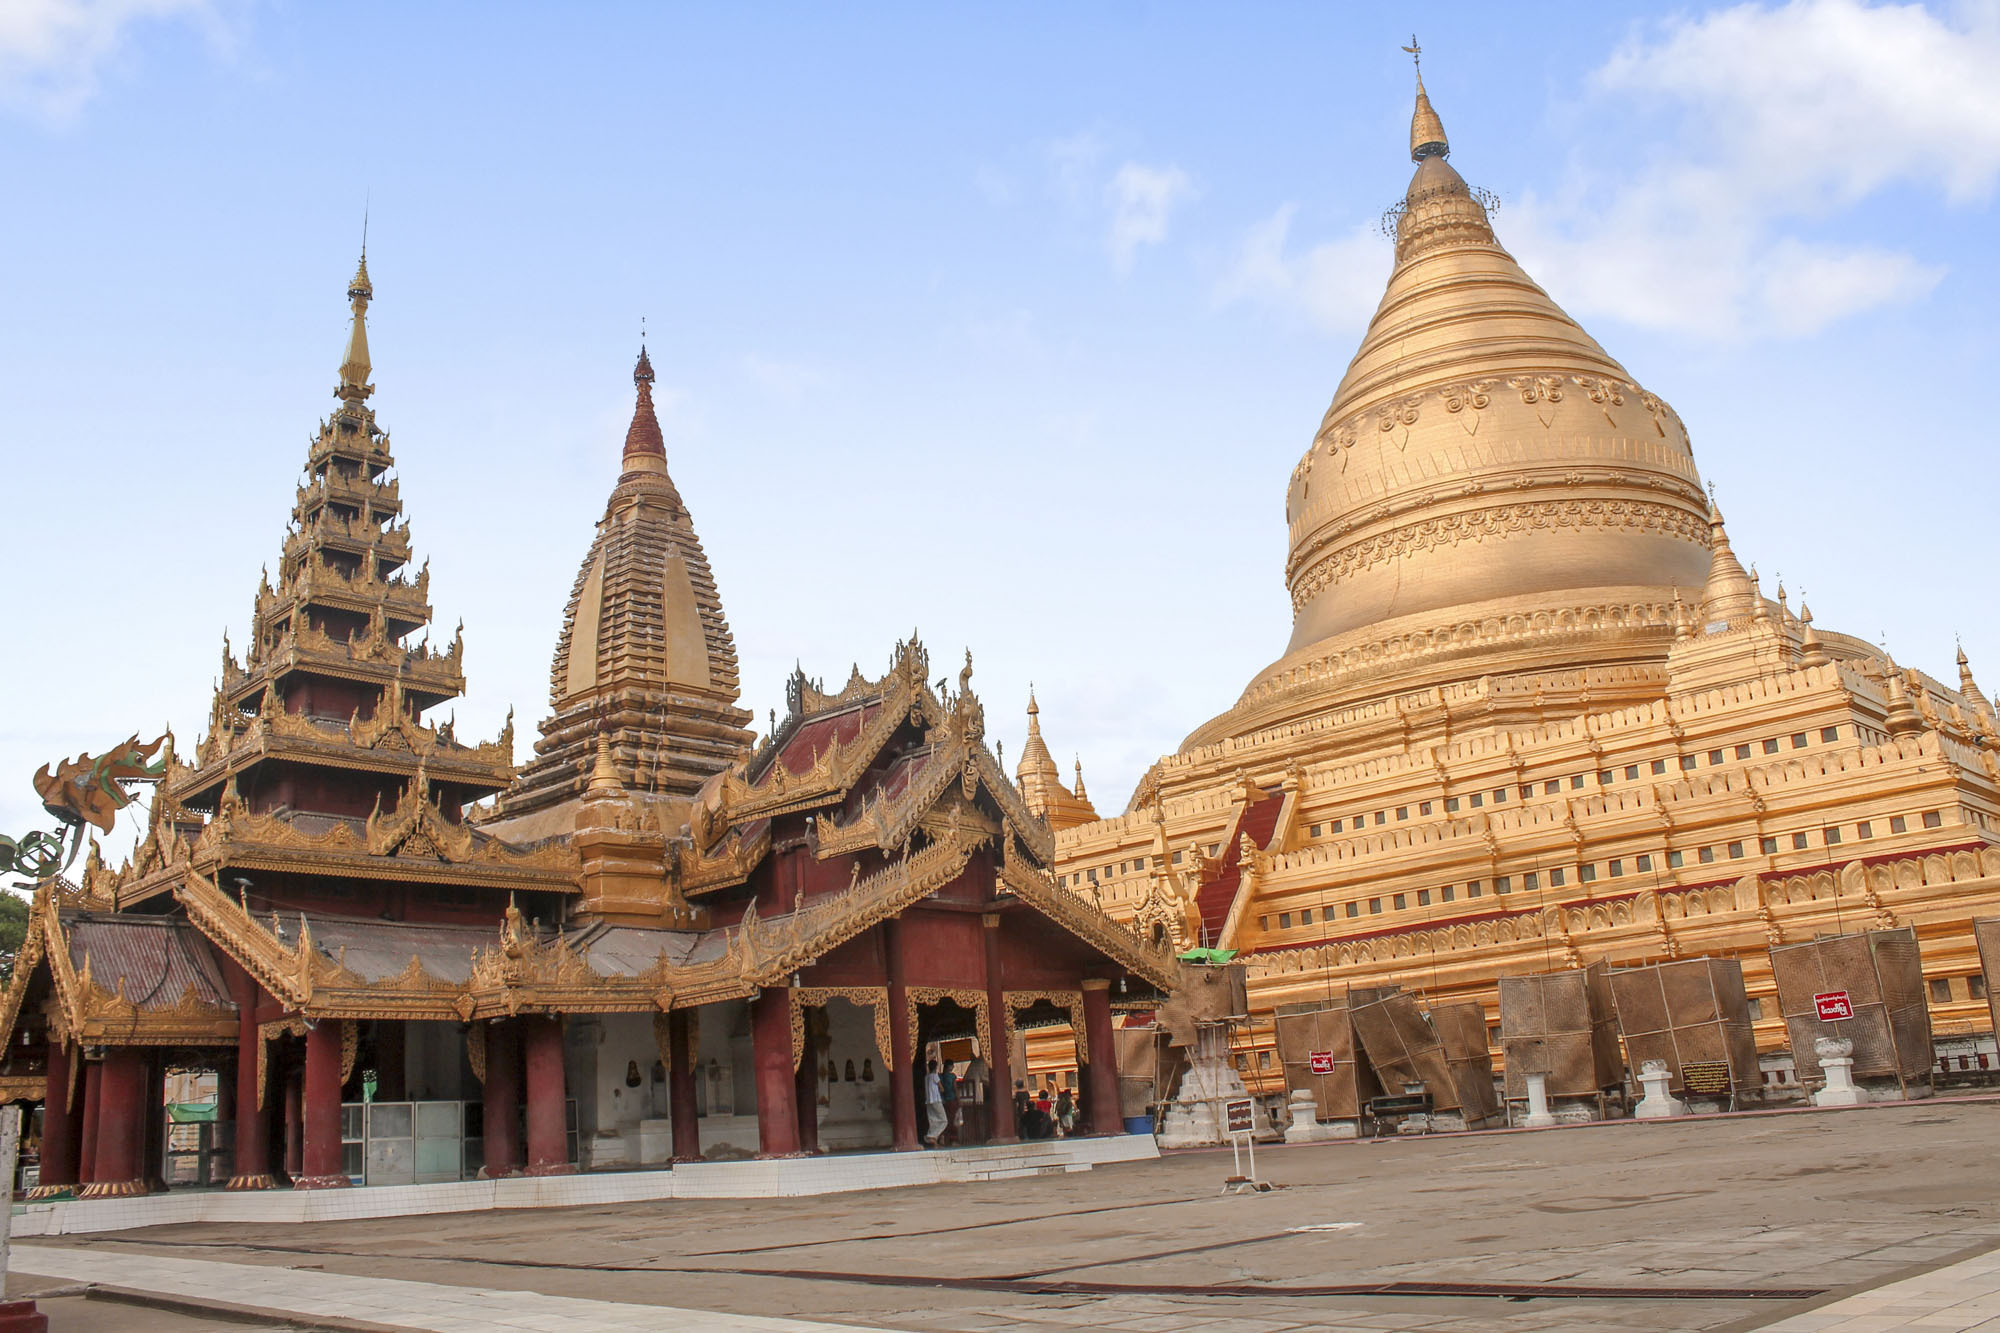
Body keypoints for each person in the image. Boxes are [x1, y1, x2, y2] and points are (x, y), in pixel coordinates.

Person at [923, 1059, 947, 1147]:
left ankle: (934, 1142)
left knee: (933, 1120)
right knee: (944, 1120)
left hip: (929, 1101)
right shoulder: (935, 1076)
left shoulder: (926, 1077)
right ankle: (932, 1136)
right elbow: (941, 1088)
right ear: (936, 1067)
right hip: (936, 1100)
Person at [940, 1062, 961, 1146]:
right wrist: (958, 1099)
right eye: (952, 1065)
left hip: (944, 1101)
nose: (953, 1067)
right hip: (952, 1099)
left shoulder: (940, 1076)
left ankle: (943, 1137)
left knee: (945, 1120)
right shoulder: (952, 1076)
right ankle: (953, 1140)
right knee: (952, 1120)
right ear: (948, 1066)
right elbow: (955, 1088)